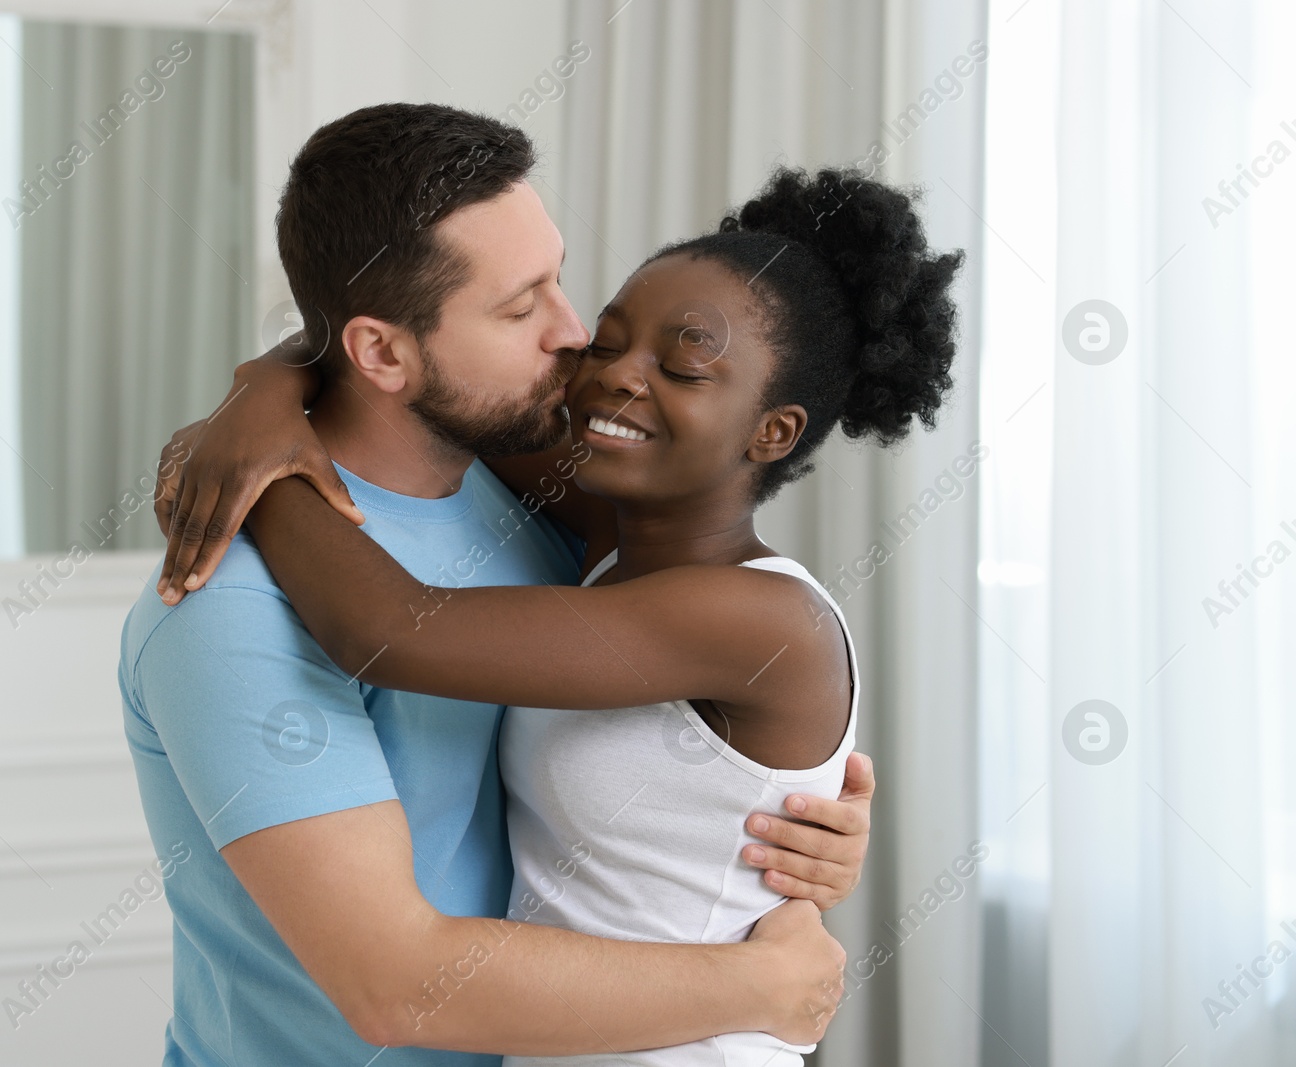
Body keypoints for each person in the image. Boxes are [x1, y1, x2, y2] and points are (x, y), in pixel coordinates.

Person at [122, 103, 872, 1067]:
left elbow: (690, 731)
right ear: (382, 352)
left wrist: (784, 822)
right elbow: (398, 988)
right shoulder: (229, 602)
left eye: (560, 279)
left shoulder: (545, 511)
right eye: (523, 306)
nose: (574, 337)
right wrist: (761, 986)